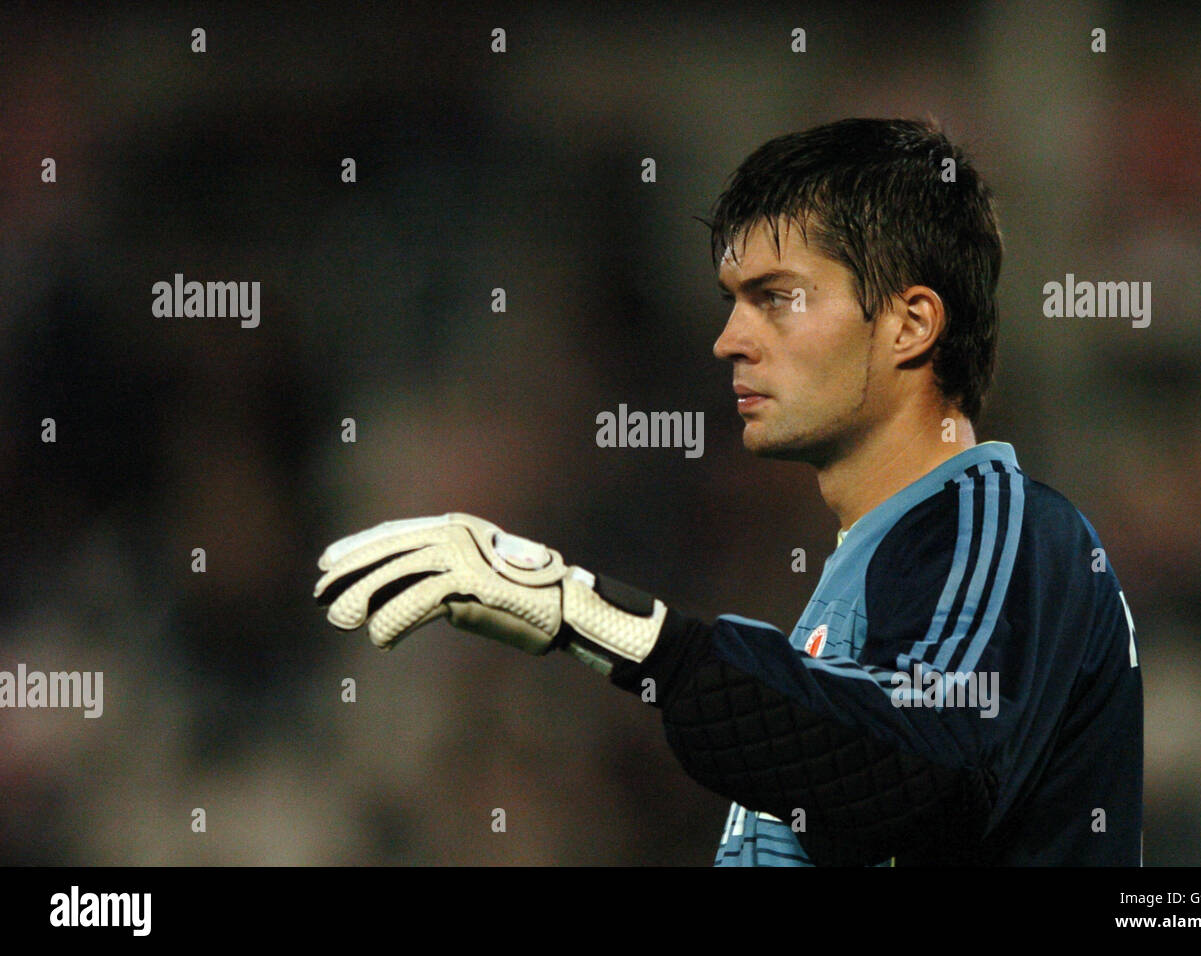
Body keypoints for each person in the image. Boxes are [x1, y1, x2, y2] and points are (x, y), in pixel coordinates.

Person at [314, 118, 1143, 866]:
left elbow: (928, 774)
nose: (727, 340)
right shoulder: (869, 576)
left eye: (776, 299)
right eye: (730, 302)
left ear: (910, 325)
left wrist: (613, 627)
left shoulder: (1008, 527)